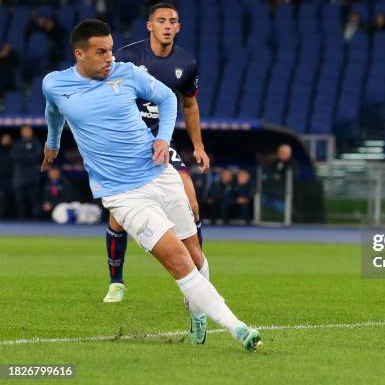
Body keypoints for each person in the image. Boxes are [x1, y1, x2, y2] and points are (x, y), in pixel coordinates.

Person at [41, 19, 261, 351]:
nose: (109, 58)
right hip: (123, 195)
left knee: (195, 256)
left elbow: (169, 100)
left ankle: (196, 313)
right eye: (101, 52)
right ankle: (237, 327)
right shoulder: (55, 84)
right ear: (80, 53)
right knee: (177, 261)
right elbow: (53, 111)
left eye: (112, 50)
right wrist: (53, 142)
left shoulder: (126, 73)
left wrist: (162, 138)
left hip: (161, 174)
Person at [104, 3, 210, 306]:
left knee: (192, 202)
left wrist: (199, 147)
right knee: (119, 218)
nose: (167, 25)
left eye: (172, 21)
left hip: (161, 141)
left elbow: (189, 105)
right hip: (128, 144)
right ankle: (116, 282)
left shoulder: (186, 62)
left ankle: (198, 277)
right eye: (161, 20)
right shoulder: (127, 56)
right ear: (149, 25)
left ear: (178, 28)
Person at [11, 125, 43, 219]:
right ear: (22, 132)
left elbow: (37, 155)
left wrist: (24, 157)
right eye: (25, 131)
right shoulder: (17, 143)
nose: (27, 133)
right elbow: (14, 156)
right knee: (20, 201)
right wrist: (28, 156)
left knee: (35, 201)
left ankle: (37, 222)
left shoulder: (36, 143)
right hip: (20, 177)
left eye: (29, 131)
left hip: (33, 177)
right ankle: (21, 222)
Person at [0, 133, 14, 218]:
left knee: (12, 200)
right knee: (2, 200)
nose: (6, 141)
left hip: (13, 179)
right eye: (4, 139)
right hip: (1, 180)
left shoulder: (14, 150)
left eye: (8, 139)